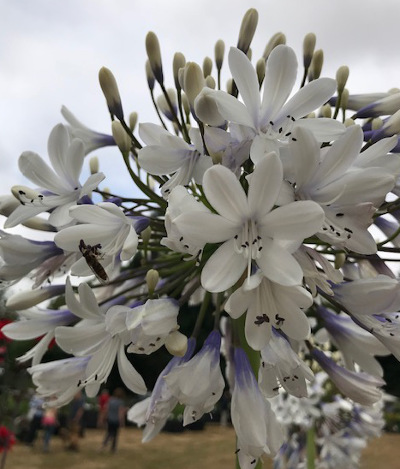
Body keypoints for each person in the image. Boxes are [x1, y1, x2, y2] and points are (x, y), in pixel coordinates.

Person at [101, 388, 126, 453]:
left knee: (109, 433)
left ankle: (104, 444)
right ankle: (113, 448)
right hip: (116, 420)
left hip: (110, 419)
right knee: (115, 435)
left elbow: (106, 409)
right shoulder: (120, 402)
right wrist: (122, 422)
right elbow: (120, 413)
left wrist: (104, 418)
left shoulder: (110, 400)